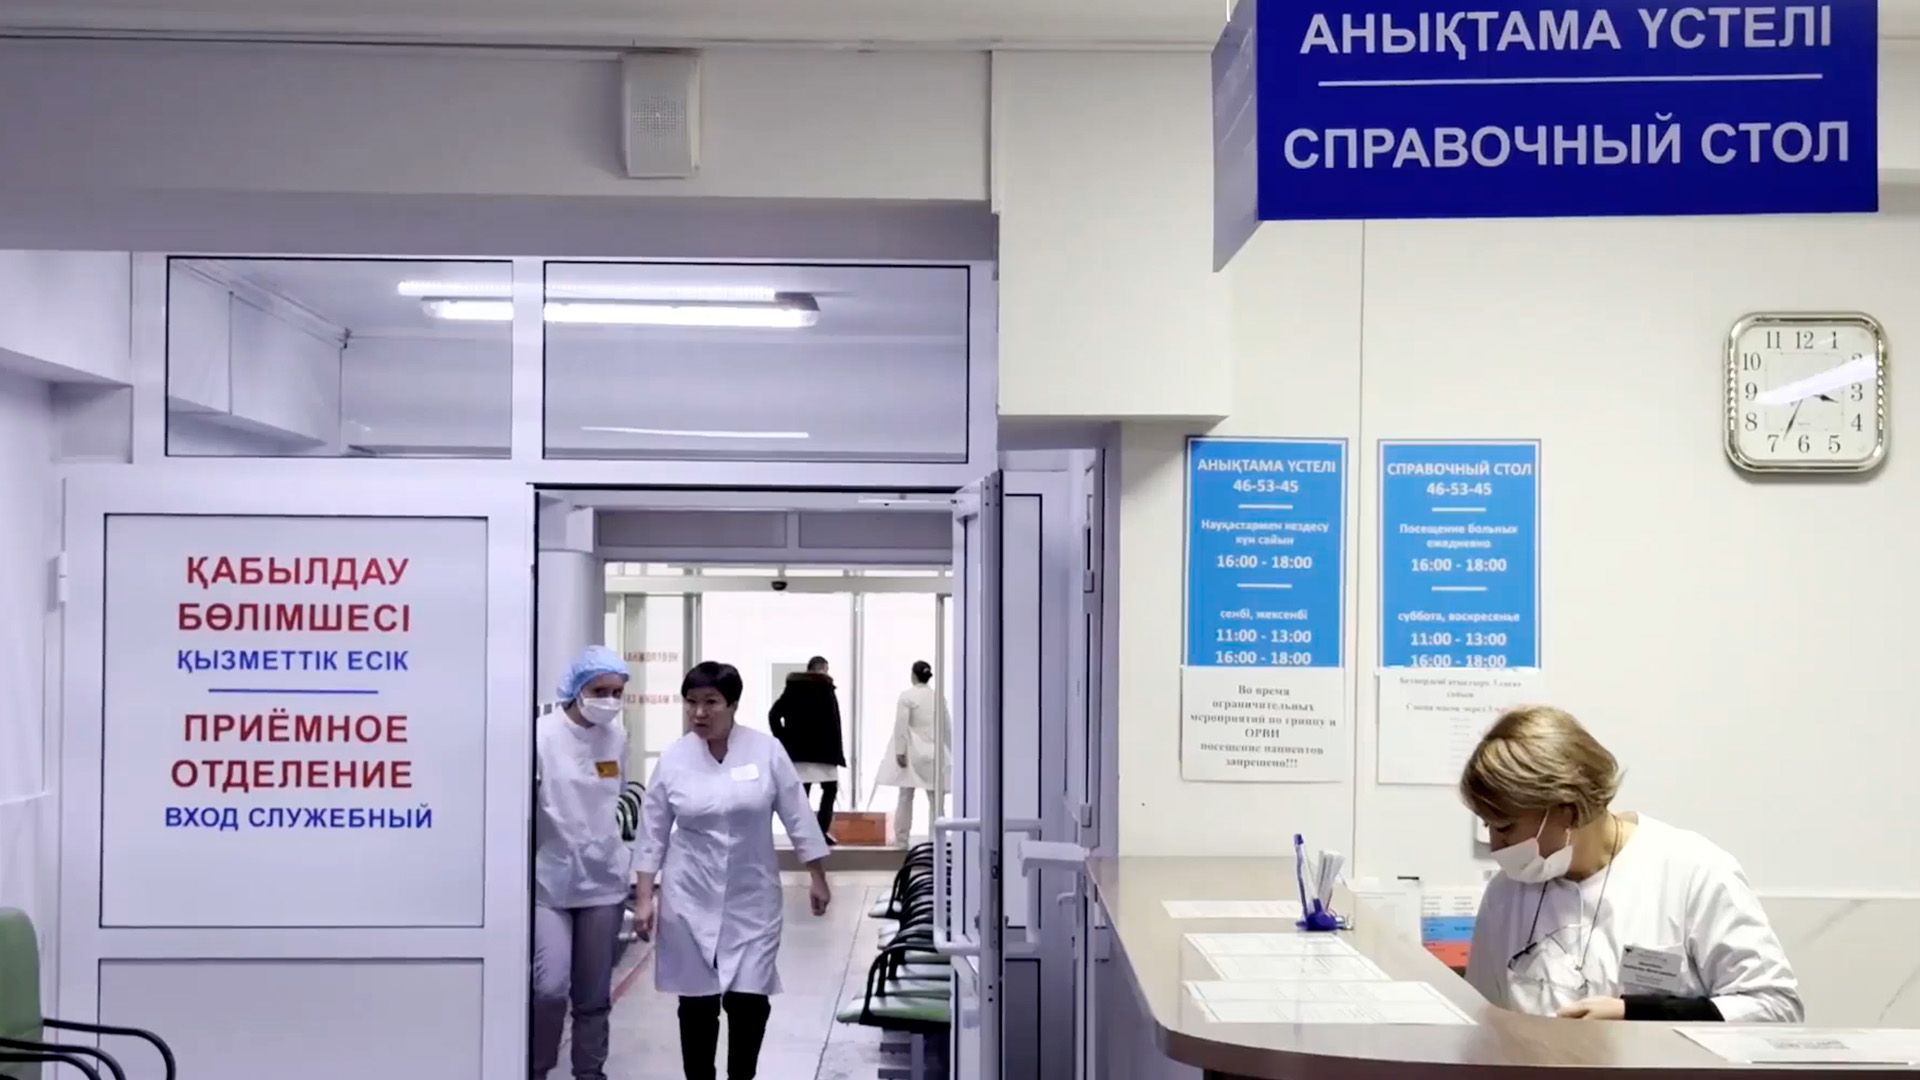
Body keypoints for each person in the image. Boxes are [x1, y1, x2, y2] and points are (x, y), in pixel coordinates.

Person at [1459, 706, 1802, 1023]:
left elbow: (1776, 1007)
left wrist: (1635, 1014)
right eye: (1488, 825)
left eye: (1505, 827)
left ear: (1568, 809)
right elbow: (1481, 1023)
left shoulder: (1694, 873)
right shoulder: (1506, 893)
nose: (1496, 846)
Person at [635, 661, 833, 1080]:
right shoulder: (674, 758)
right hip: (688, 895)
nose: (699, 713)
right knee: (697, 1003)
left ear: (733, 704)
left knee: (749, 1001)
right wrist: (644, 896)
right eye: (691, 702)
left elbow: (797, 813)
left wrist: (816, 874)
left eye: (711, 702)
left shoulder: (766, 751)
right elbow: (652, 830)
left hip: (751, 894)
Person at [531, 645, 633, 1080]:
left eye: (617, 692)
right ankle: (536, 1067)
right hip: (550, 881)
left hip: (603, 880)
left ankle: (590, 1073)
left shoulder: (617, 738)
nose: (609, 700)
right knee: (550, 987)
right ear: (576, 689)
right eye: (599, 691)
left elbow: (615, 797)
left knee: (593, 997)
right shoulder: (541, 735)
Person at [766, 655, 846, 843]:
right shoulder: (826, 688)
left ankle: (803, 832)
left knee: (803, 794)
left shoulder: (794, 688)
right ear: (823, 668)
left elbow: (774, 714)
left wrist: (784, 738)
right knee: (830, 790)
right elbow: (835, 725)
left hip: (799, 752)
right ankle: (820, 831)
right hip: (825, 752)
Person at [875, 660, 949, 847]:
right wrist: (949, 751)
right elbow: (946, 727)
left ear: (913, 675)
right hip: (934, 753)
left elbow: (901, 725)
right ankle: (936, 841)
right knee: (936, 800)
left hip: (912, 753)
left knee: (906, 796)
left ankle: (902, 839)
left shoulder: (907, 696)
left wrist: (899, 751)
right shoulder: (938, 697)